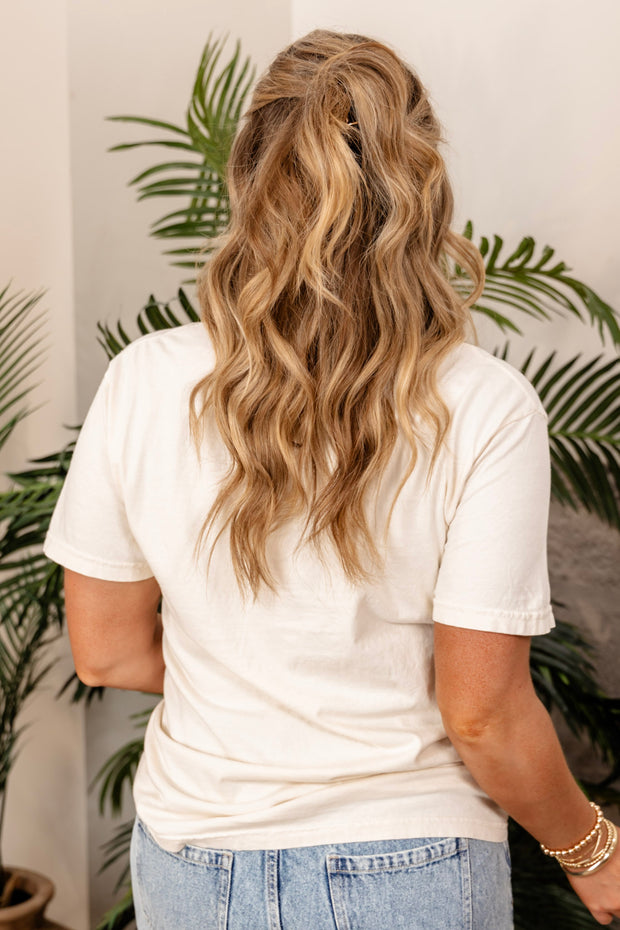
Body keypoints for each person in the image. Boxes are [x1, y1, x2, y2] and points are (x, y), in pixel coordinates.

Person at [43, 29, 619, 930]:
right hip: (412, 863)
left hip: (195, 867)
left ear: (247, 174)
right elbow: (480, 713)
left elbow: (105, 652)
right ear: (423, 185)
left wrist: (258, 677)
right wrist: (594, 852)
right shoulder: (485, 404)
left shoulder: (144, 381)